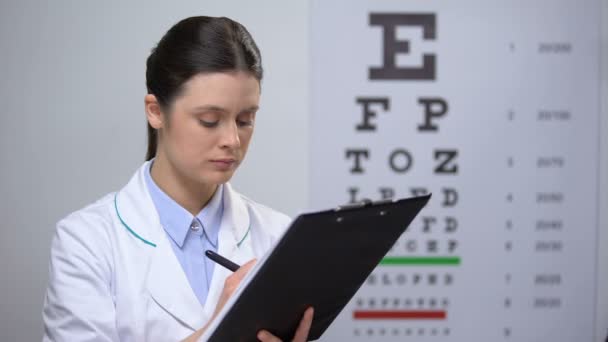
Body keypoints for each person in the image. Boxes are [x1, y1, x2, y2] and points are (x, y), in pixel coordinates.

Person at [42, 16, 313, 342]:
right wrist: (218, 334)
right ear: (155, 111)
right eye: (209, 120)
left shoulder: (278, 237)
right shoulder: (87, 241)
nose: (232, 139)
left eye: (245, 119)